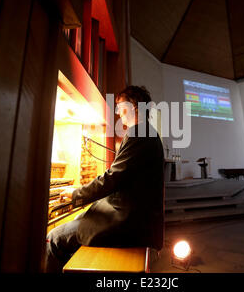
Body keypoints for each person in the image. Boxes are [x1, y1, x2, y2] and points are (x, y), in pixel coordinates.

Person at [45, 86, 164, 273]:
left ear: (136, 107)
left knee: (53, 237)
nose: (118, 112)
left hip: (128, 222)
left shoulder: (140, 133)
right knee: (78, 221)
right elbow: (119, 177)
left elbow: (112, 178)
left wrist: (76, 193)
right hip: (132, 216)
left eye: (121, 106)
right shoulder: (145, 133)